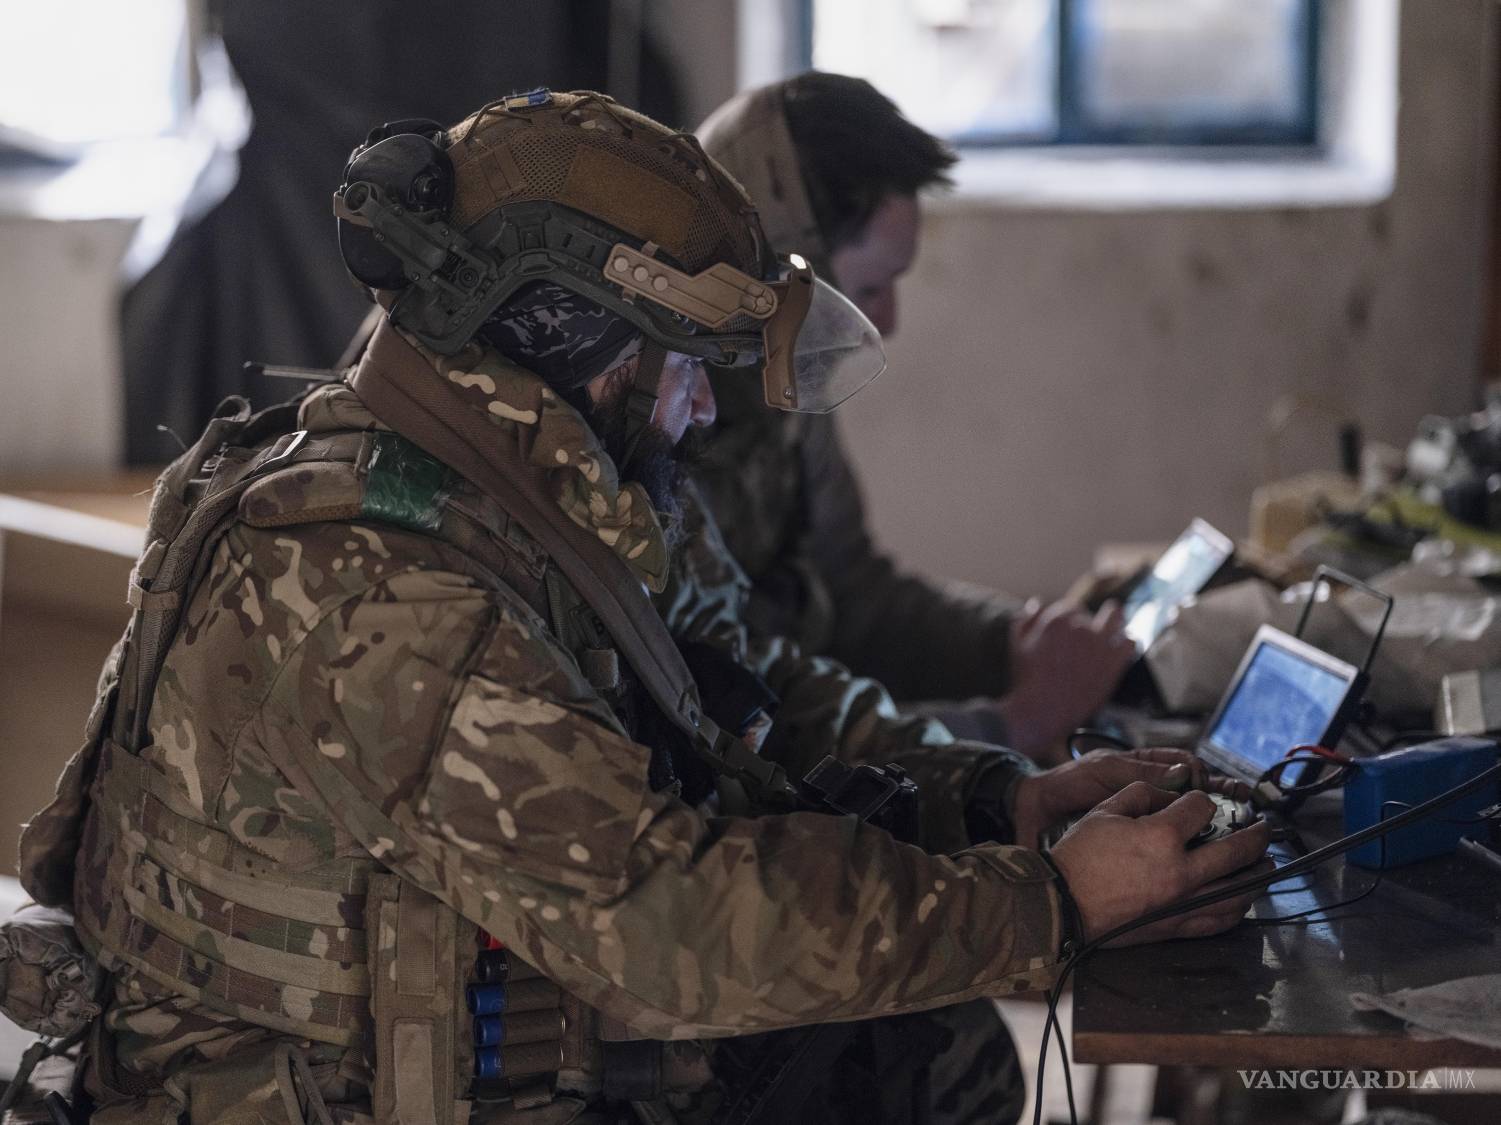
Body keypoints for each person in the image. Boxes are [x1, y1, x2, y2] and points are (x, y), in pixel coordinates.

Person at [12, 91, 1268, 1125]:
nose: (705, 411)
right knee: (912, 1058)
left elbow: (732, 694)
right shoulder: (390, 598)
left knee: (923, 1045)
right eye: (683, 367)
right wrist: (1047, 907)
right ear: (573, 342)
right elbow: (670, 931)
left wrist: (987, 797)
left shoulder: (513, 496)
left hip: (442, 1046)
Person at [695, 73, 1134, 763]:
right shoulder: (658, 424)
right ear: (776, 272)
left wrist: (1011, 642)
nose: (886, 321)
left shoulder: (776, 386)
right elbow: (731, 716)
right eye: (868, 289)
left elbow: (854, 597)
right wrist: (1007, 725)